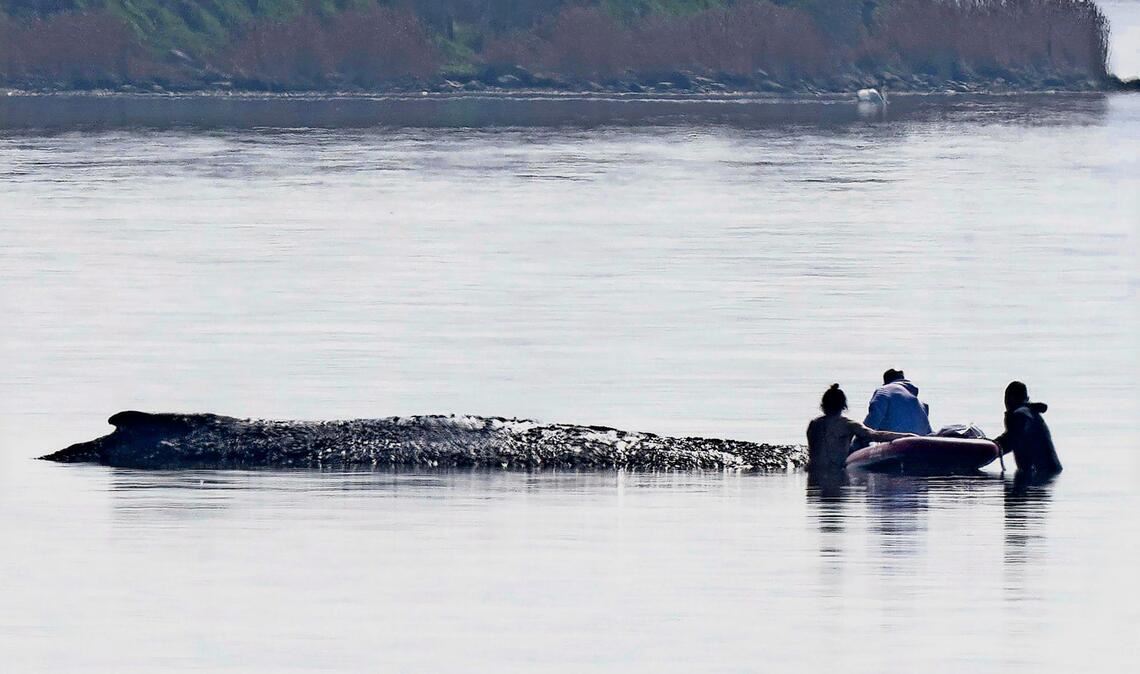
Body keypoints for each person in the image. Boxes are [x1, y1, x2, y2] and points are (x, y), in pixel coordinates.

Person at [807, 384, 914, 472]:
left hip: (812, 473)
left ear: (823, 405)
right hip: (835, 473)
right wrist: (907, 436)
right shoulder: (848, 424)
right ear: (844, 406)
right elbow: (875, 435)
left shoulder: (813, 424)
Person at [852, 368, 933, 450]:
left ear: (885, 382)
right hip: (920, 446)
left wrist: (854, 446)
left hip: (898, 447)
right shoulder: (920, 404)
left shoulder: (883, 391)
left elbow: (871, 422)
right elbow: (929, 433)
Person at [994, 381, 1062, 477]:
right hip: (1049, 473)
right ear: (1026, 398)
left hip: (1040, 476)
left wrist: (991, 448)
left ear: (1010, 398)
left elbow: (1012, 438)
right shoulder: (1030, 412)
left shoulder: (1020, 414)